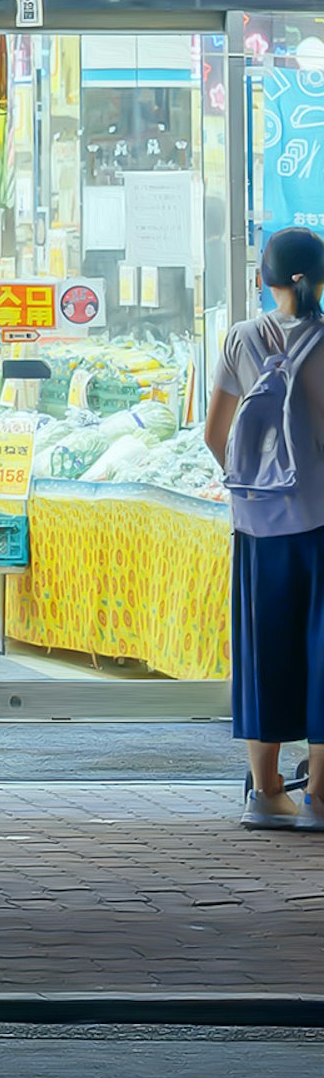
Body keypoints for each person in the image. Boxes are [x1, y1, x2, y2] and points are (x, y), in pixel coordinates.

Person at [206, 220, 324, 829]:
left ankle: (266, 792)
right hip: (321, 522)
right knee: (322, 653)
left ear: (264, 279)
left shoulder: (240, 339)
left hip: (256, 527)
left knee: (264, 651)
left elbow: (215, 436)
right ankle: (319, 800)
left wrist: (255, 487)